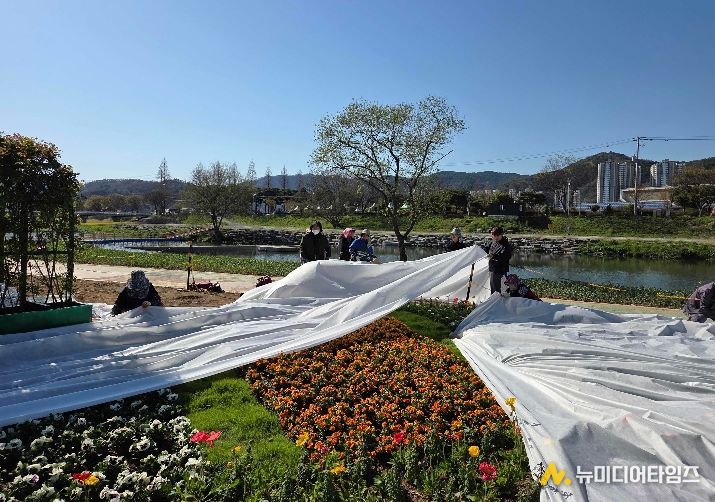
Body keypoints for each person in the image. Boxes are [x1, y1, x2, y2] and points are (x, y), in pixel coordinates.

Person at [481, 226, 512, 295]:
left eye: (497, 235)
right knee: (491, 289)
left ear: (501, 234)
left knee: (497, 291)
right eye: (494, 235)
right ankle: (493, 300)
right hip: (491, 269)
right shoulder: (492, 242)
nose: (496, 237)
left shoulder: (506, 245)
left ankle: (497, 300)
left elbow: (506, 256)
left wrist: (493, 256)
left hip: (500, 271)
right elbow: (485, 249)